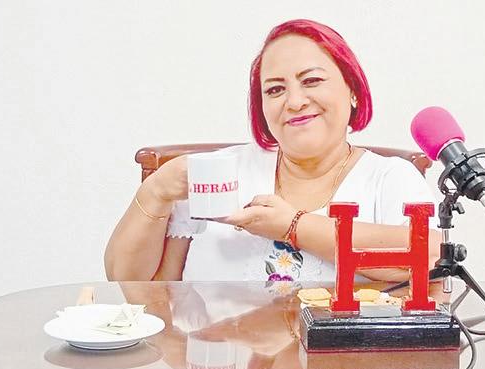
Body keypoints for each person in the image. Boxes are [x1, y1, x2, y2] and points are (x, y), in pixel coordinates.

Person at [104, 19, 440, 283]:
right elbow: (132, 285)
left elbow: (429, 257)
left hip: (340, 355)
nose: (294, 101)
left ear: (352, 89)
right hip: (214, 351)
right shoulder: (217, 174)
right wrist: (156, 191)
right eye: (275, 89)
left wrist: (292, 226)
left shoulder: (389, 178)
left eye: (311, 81)